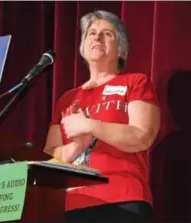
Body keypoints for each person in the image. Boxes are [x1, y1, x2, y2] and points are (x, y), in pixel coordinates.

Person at [43, 10, 160, 223]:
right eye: (91, 33)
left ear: (121, 50)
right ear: (82, 46)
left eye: (107, 34)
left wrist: (90, 125)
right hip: (70, 205)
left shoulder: (135, 83)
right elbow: (48, 157)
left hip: (121, 201)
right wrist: (76, 147)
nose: (97, 37)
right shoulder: (67, 99)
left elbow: (142, 136)